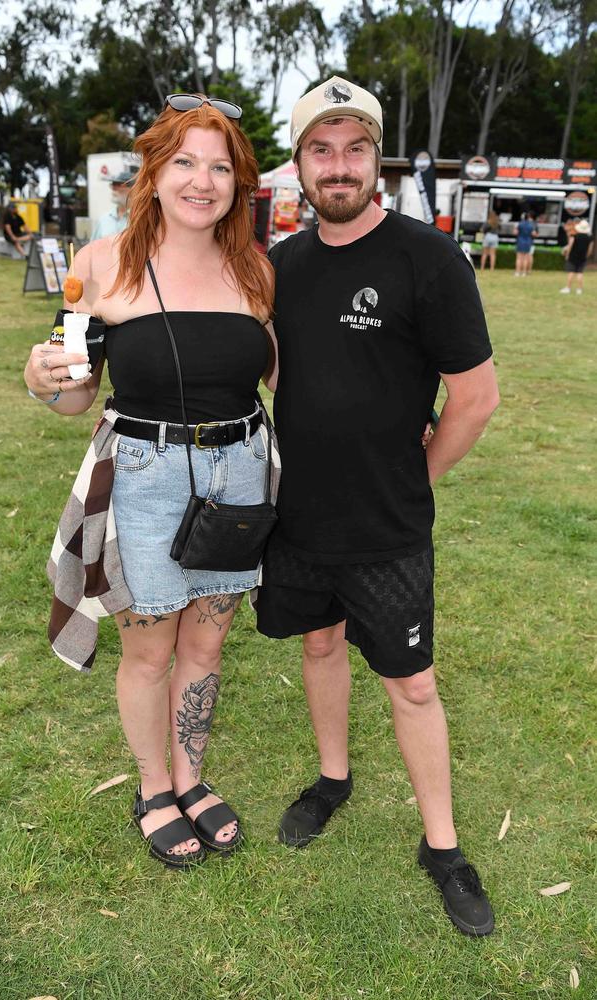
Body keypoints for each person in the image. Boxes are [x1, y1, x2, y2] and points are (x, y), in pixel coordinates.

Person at [255, 76, 499, 937]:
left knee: (414, 684)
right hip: (299, 517)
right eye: (321, 149)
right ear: (298, 166)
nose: (339, 165)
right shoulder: (279, 265)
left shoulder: (428, 260)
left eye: (356, 147)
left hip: (389, 526)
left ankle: (443, 847)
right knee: (318, 643)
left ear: (377, 159)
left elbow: (475, 398)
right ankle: (332, 780)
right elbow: (278, 367)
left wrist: (414, 475)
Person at [24, 95, 274, 869]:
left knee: (206, 645)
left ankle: (193, 780)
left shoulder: (255, 269)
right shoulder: (104, 262)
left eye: (220, 166)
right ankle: (154, 786)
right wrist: (42, 378)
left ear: (239, 182)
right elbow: (74, 399)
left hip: (238, 473)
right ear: (155, 172)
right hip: (142, 474)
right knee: (150, 651)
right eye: (186, 162)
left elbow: (286, 387)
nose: (203, 181)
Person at [90, 167, 138, 240]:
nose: (113, 188)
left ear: (133, 189)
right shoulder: (103, 220)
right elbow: (92, 249)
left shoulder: (141, 218)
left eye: (118, 185)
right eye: (112, 184)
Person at [560, 218, 593, 294]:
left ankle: (568, 288)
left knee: (571, 272)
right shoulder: (589, 238)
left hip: (573, 256)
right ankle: (579, 289)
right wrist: (586, 255)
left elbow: (570, 246)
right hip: (583, 257)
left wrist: (567, 254)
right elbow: (590, 249)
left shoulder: (574, 236)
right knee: (580, 273)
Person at [514, 211, 538, 277]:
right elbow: (534, 234)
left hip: (520, 241)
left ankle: (517, 272)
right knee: (526, 258)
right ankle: (524, 272)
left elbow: (515, 233)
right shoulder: (530, 225)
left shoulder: (519, 224)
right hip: (528, 241)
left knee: (519, 258)